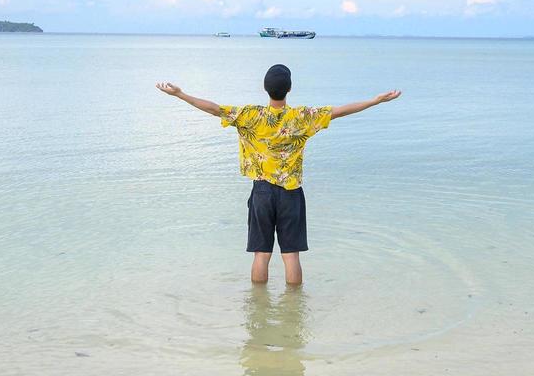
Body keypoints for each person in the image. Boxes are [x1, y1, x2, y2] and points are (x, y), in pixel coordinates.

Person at [157, 64, 400, 284]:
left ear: (265, 88)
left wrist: (180, 94)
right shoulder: (301, 117)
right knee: (291, 254)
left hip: (261, 191)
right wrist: (374, 101)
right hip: (291, 194)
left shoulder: (250, 115)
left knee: (261, 254)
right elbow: (340, 111)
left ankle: (258, 308)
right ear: (289, 89)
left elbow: (213, 109)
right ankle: (293, 312)